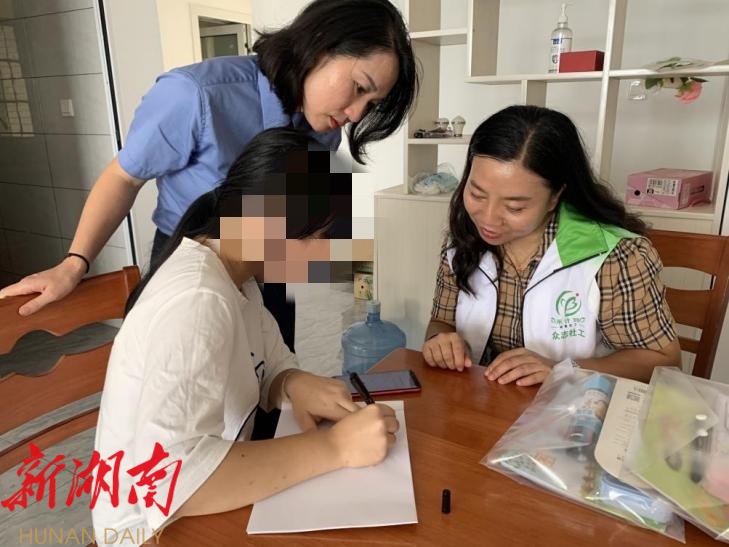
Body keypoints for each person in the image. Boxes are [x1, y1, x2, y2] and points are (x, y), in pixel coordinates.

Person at [0, 0, 419, 346]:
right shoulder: (196, 95)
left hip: (267, 262)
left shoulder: (322, 123)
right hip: (190, 259)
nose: (356, 114)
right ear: (320, 46)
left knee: (270, 370)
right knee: (197, 377)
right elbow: (124, 176)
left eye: (371, 104)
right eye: (359, 87)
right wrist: (75, 262)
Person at [91, 128, 398, 546]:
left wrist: (292, 382)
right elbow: (170, 480)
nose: (324, 254)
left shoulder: (239, 276)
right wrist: (335, 449)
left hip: (200, 502)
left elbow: (268, 361)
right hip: (150, 531)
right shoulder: (197, 302)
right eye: (317, 237)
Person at [422, 105, 681, 386]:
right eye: (477, 194)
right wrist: (440, 341)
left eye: (515, 207)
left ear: (555, 196)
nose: (488, 218)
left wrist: (564, 369)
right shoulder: (464, 240)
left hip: (575, 406)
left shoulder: (614, 257)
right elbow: (442, 322)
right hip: (481, 401)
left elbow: (663, 361)